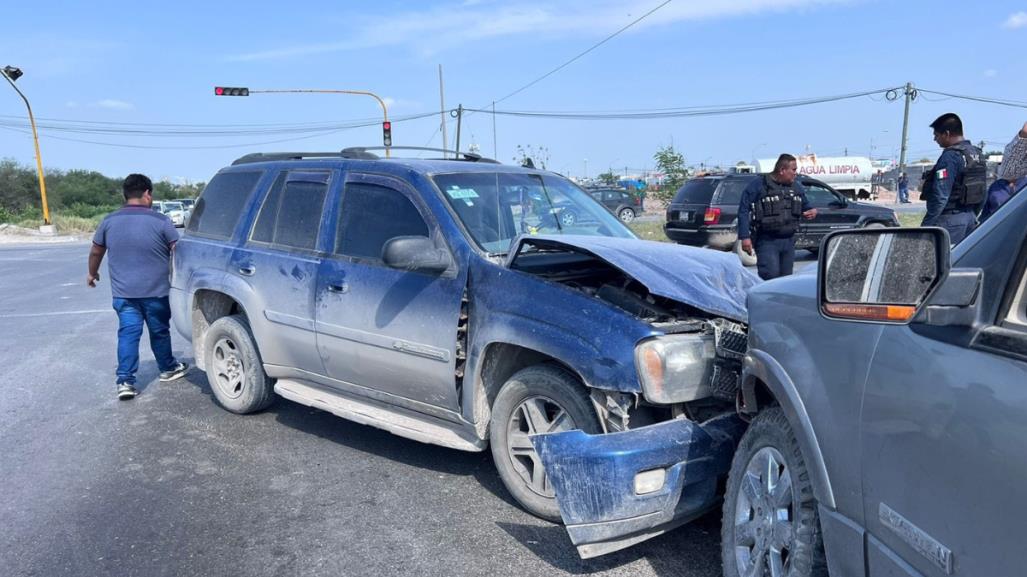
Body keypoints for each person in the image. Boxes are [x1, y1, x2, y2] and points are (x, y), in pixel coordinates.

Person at [87, 174, 188, 400]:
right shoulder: (161, 221)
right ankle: (167, 368)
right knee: (159, 331)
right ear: (147, 194)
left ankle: (125, 381)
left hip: (124, 295)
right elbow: (178, 251)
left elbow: (96, 251)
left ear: (125, 195)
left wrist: (92, 274)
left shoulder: (109, 221)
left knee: (128, 334)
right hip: (157, 293)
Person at [737, 154, 818, 280]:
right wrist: (744, 237)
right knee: (770, 277)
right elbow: (743, 210)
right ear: (782, 170)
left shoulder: (796, 187)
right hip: (767, 241)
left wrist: (812, 211)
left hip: (789, 241)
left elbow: (806, 206)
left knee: (786, 281)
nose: (796, 173)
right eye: (794, 170)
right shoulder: (759, 185)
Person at [920, 113, 986, 244]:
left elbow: (941, 195)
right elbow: (983, 191)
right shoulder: (977, 154)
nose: (935, 139)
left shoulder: (950, 156)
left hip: (949, 221)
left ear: (947, 133)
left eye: (936, 135)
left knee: (942, 261)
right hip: (970, 219)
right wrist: (971, 215)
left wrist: (926, 225)